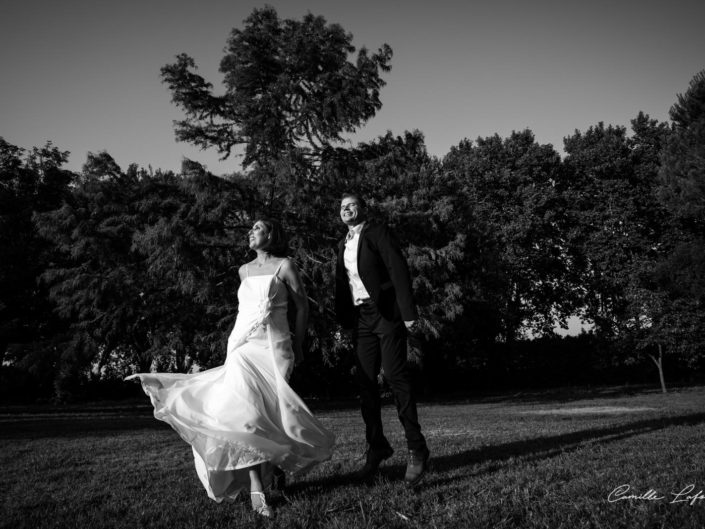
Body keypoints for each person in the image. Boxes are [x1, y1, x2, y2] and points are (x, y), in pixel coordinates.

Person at [127, 219, 335, 518]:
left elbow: (302, 307)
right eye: (250, 229)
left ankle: (274, 468)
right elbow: (244, 310)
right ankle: (255, 487)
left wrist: (299, 344)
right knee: (245, 415)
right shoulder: (243, 271)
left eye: (257, 228)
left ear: (271, 235)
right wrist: (235, 343)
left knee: (273, 414)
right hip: (242, 347)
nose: (251, 232)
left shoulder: (286, 266)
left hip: (275, 348)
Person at [334, 193, 430, 486]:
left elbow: (398, 269)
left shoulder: (377, 232)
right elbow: (341, 286)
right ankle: (377, 447)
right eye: (342, 206)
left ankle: (417, 448)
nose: (346, 209)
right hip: (361, 318)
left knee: (395, 376)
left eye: (351, 204)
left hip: (386, 314)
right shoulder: (342, 244)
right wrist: (344, 324)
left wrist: (408, 312)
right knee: (365, 384)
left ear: (362, 209)